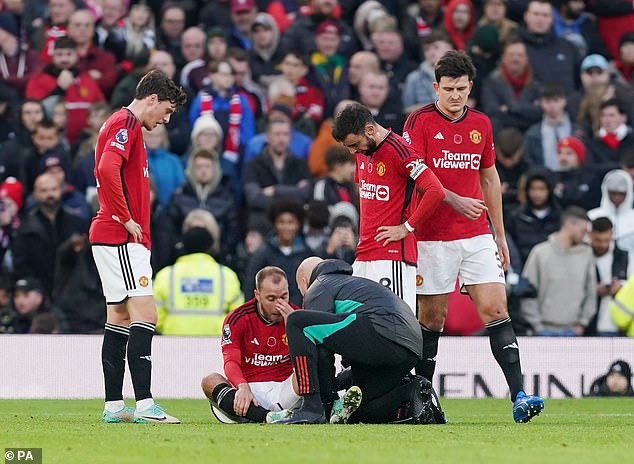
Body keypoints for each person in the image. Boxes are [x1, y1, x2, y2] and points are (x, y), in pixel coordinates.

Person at [403, 50, 544, 422]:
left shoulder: (481, 123)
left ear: (471, 87)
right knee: (432, 320)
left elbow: (489, 178)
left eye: (460, 89)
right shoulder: (418, 122)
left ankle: (519, 395)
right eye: (447, 89)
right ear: (435, 87)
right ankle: (422, 402)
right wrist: (455, 201)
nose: (454, 96)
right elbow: (417, 175)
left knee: (497, 309)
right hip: (432, 236)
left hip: (476, 234)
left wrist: (499, 234)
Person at [90, 69, 187, 424]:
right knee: (146, 315)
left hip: (110, 235)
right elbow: (106, 167)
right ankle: (146, 405)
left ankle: (115, 406)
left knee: (118, 318)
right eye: (167, 110)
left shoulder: (119, 123)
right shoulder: (126, 123)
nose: (166, 118)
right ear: (152, 99)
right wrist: (126, 216)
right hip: (120, 236)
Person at [269, 257, 443, 425]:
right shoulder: (354, 284)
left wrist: (326, 401)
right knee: (358, 411)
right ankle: (412, 391)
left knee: (296, 321)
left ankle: (311, 408)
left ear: (304, 281)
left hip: (382, 333)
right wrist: (335, 386)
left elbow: (321, 348)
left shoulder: (320, 284)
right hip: (409, 350)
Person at [331, 103, 445, 313]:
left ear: (370, 130)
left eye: (354, 144)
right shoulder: (362, 150)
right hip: (364, 252)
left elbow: (435, 190)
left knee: (396, 324)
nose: (352, 151)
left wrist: (407, 227)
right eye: (348, 147)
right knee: (357, 323)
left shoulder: (401, 151)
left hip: (393, 255)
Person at [200, 266, 305, 423]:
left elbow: (308, 359)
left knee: (308, 371)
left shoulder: (296, 316)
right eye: (271, 299)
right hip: (248, 393)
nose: (279, 305)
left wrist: (295, 328)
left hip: (283, 391)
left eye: (284, 297)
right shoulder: (238, 318)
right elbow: (231, 361)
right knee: (209, 380)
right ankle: (267, 417)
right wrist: (242, 386)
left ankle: (330, 408)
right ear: (257, 295)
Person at [154, 226, 244, 336]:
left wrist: (168, 327)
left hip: (174, 341)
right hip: (216, 341)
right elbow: (238, 317)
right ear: (211, 247)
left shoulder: (166, 275)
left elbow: (155, 315)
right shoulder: (226, 275)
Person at [521, 206, 596, 336]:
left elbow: (591, 292)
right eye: (583, 230)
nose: (585, 236)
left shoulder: (586, 254)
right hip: (543, 330)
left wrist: (582, 323)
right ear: (570, 224)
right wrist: (537, 325)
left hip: (573, 330)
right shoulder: (540, 253)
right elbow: (527, 292)